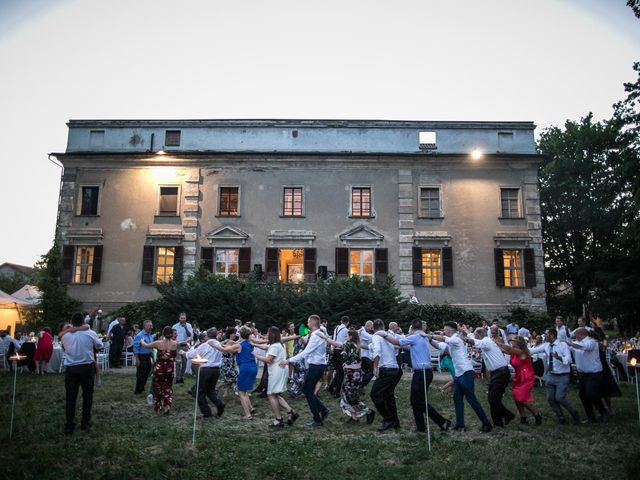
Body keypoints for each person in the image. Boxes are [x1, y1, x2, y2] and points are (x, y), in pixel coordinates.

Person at [380, 319, 451, 433]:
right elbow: (411, 347)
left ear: (412, 327)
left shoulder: (415, 337)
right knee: (414, 400)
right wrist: (401, 345)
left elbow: (396, 342)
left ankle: (442, 421)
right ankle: (421, 428)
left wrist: (383, 334)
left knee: (419, 401)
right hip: (424, 372)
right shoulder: (422, 337)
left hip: (422, 372)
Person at [429, 322, 492, 432]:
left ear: (449, 331)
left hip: (466, 373)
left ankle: (486, 424)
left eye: (445, 330)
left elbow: (443, 339)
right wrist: (430, 340)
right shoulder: (450, 342)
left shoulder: (456, 339)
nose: (443, 332)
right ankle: (460, 425)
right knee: (457, 399)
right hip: (459, 375)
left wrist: (431, 336)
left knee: (471, 400)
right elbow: (439, 345)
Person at [279, 315, 330, 427]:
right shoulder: (317, 334)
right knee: (307, 390)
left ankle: (317, 419)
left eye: (308, 322)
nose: (307, 324)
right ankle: (324, 410)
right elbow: (308, 340)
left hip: (316, 366)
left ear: (312, 323)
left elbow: (305, 353)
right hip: (317, 365)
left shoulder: (316, 336)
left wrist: (288, 361)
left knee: (307, 392)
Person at [60, 313, 103, 434]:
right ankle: (85, 422)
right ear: (83, 321)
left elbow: (63, 348)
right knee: (88, 396)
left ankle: (69, 424)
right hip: (86, 367)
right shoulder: (90, 333)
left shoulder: (65, 335)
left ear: (71, 322)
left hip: (71, 368)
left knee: (71, 397)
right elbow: (99, 345)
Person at [463, 327, 515, 427]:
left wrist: (465, 339)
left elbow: (475, 342)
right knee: (494, 398)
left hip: (501, 373)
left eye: (475, 335)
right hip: (498, 373)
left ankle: (507, 415)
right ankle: (499, 422)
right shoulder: (487, 341)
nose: (474, 336)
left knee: (492, 398)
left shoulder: (486, 341)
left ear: (478, 336)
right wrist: (466, 332)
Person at [321, 328, 373, 424]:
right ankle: (354, 418)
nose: (345, 337)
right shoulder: (356, 345)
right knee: (348, 395)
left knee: (351, 396)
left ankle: (368, 411)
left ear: (351, 337)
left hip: (352, 375)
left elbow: (337, 344)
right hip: (353, 374)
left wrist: (325, 338)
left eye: (347, 336)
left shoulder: (349, 345)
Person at [529, 328, 580, 425]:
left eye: (546, 334)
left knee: (560, 397)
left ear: (552, 335)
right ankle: (560, 417)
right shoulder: (547, 345)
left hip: (562, 375)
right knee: (551, 398)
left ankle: (575, 414)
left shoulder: (563, 345)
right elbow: (533, 350)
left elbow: (569, 360)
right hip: (551, 375)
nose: (544, 336)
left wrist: (559, 357)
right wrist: (519, 347)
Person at [253, 326, 298, 427]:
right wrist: (254, 344)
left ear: (272, 334)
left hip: (277, 372)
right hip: (280, 371)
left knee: (271, 395)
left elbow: (268, 360)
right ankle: (291, 412)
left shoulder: (274, 346)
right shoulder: (278, 344)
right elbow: (265, 347)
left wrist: (256, 355)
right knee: (276, 394)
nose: (267, 335)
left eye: (268, 333)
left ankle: (278, 419)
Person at [565, 327, 609, 423]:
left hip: (594, 373)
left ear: (581, 334)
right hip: (582, 374)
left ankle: (604, 412)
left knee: (591, 393)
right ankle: (591, 417)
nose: (574, 336)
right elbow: (571, 348)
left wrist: (570, 343)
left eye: (576, 334)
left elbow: (584, 347)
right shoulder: (577, 342)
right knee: (583, 395)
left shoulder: (592, 342)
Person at [497, 336, 542, 425]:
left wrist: (498, 343)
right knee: (516, 397)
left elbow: (508, 349)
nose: (511, 342)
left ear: (518, 342)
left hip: (526, 376)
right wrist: (495, 346)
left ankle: (537, 414)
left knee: (522, 398)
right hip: (518, 375)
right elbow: (504, 350)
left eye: (513, 341)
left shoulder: (522, 351)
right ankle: (523, 417)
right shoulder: (513, 351)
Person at [214, 325, 256, 419]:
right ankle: (250, 408)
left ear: (240, 334)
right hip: (253, 367)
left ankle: (248, 415)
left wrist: (213, 344)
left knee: (241, 392)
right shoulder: (249, 343)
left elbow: (225, 349)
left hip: (244, 367)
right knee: (243, 390)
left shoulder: (239, 344)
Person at [368, 319, 403, 432]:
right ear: (383, 327)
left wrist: (375, 367)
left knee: (375, 394)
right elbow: (397, 348)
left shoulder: (376, 337)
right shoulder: (389, 336)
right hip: (395, 369)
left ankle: (388, 419)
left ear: (373, 328)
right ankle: (395, 421)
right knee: (388, 395)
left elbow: (377, 352)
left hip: (386, 369)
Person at [186, 328, 226, 418]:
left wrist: (184, 353)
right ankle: (219, 404)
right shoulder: (218, 344)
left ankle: (207, 412)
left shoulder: (205, 345)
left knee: (199, 392)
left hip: (206, 370)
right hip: (216, 370)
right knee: (210, 390)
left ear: (207, 336)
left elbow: (192, 354)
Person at [141, 326, 178, 414]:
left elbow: (146, 346)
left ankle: (158, 406)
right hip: (169, 367)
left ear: (163, 334)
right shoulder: (175, 344)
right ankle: (167, 405)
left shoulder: (158, 343)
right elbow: (174, 355)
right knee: (168, 387)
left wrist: (142, 340)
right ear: (172, 334)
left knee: (157, 386)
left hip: (159, 367)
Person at [328, 315, 350, 398]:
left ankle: (331, 388)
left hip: (334, 350)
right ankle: (337, 393)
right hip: (340, 351)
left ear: (341, 321)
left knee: (339, 371)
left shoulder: (336, 328)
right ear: (348, 322)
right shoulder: (346, 330)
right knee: (341, 373)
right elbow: (346, 341)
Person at [133, 320, 154, 394]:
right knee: (141, 374)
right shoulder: (139, 335)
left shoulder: (150, 335)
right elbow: (136, 348)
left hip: (148, 356)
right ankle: (138, 390)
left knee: (147, 373)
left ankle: (142, 387)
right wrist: (137, 359)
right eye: (150, 326)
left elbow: (151, 346)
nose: (151, 327)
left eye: (151, 325)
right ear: (145, 326)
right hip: (141, 356)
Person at [172, 312, 193, 384]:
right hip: (177, 346)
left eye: (184, 318)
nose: (183, 319)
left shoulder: (189, 325)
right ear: (179, 318)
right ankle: (177, 378)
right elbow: (172, 336)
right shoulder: (175, 326)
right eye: (182, 318)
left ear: (186, 318)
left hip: (185, 346)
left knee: (184, 362)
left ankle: (181, 377)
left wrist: (185, 327)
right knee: (178, 362)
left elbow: (190, 335)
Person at [359, 320, 375, 388]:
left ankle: (360, 387)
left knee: (364, 372)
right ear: (367, 326)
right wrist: (377, 333)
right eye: (371, 328)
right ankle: (361, 385)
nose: (371, 329)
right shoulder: (362, 332)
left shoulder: (365, 332)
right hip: (363, 355)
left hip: (366, 356)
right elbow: (370, 338)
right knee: (373, 370)